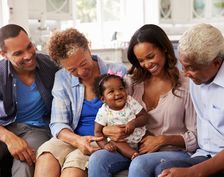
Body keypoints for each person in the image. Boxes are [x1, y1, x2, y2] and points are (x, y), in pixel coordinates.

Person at [33, 27, 146, 177]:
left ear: (88, 48)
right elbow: (58, 123)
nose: (80, 72)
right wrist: (77, 140)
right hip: (72, 137)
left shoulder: (117, 73)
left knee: (72, 170)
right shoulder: (62, 78)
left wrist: (106, 133)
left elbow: (131, 113)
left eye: (83, 63)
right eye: (72, 70)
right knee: (46, 156)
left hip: (101, 140)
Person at [88, 24, 197, 177]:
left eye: (150, 56)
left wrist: (162, 140)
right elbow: (109, 111)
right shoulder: (130, 83)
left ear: (164, 49)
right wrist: (105, 130)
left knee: (140, 164)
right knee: (97, 159)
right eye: (141, 60)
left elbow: (195, 136)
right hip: (133, 148)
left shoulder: (186, 85)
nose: (147, 64)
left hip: (172, 151)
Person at [156, 23, 224, 177]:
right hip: (204, 154)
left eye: (191, 68)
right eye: (183, 66)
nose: (185, 74)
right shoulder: (199, 74)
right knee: (163, 171)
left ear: (216, 63)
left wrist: (193, 173)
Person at [0, 24, 59, 177]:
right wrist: (8, 137)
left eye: (29, 46)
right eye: (19, 53)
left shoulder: (50, 65)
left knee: (25, 161)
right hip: (5, 128)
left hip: (36, 129)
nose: (28, 56)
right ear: (4, 54)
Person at [93, 73, 148, 160]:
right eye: (111, 91)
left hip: (139, 135)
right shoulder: (103, 112)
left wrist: (134, 122)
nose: (118, 93)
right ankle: (134, 155)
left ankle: (147, 156)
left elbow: (144, 116)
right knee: (116, 142)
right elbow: (97, 133)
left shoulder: (130, 101)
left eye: (121, 89)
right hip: (121, 141)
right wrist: (105, 145)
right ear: (103, 99)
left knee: (149, 136)